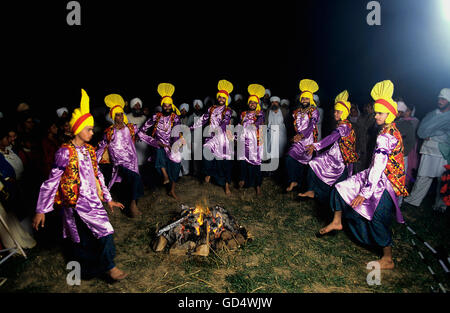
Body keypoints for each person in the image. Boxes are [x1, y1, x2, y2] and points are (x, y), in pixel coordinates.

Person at [32, 89, 127, 281]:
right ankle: (88, 272)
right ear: (78, 130)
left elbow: (97, 174)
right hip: (73, 204)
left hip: (92, 202)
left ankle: (110, 266)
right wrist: (41, 209)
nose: (92, 132)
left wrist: (108, 199)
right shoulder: (64, 152)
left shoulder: (91, 151)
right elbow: (52, 181)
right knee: (80, 240)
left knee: (105, 230)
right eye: (89, 129)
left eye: (92, 129)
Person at [317, 80, 408, 270]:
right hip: (375, 175)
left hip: (386, 181)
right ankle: (336, 221)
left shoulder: (386, 135)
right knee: (341, 188)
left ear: (390, 113)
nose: (376, 116)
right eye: (376, 112)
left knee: (376, 218)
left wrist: (364, 193)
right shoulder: (386, 130)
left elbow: (379, 166)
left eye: (380, 113)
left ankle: (388, 257)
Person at [298, 90, 358, 204]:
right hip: (332, 155)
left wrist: (315, 146)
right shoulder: (341, 124)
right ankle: (312, 190)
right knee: (313, 164)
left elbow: (332, 137)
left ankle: (334, 208)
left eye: (339, 112)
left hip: (341, 160)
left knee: (338, 187)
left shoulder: (344, 126)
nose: (336, 114)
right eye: (335, 111)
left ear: (344, 113)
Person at [96, 93, 144, 218]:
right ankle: (132, 206)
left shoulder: (131, 128)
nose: (120, 117)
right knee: (135, 179)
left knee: (133, 183)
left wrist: (158, 143)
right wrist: (91, 161)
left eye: (122, 114)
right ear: (113, 117)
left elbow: (145, 137)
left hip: (132, 162)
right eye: (117, 115)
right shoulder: (109, 132)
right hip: (120, 164)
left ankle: (133, 205)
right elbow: (100, 148)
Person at [404, 88, 450, 212]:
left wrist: (434, 133)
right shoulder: (431, 114)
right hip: (428, 149)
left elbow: (447, 134)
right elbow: (421, 131)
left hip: (443, 152)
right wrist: (438, 132)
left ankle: (441, 206)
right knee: (422, 176)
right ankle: (413, 201)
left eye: (443, 99)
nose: (440, 101)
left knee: (443, 180)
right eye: (439, 98)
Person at [137, 83, 184, 200]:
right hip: (159, 144)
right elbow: (143, 129)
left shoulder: (175, 117)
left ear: (172, 106)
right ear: (162, 106)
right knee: (158, 154)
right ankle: (164, 176)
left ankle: (171, 190)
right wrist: (153, 141)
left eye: (169, 106)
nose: (167, 108)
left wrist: (176, 143)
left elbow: (177, 130)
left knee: (176, 165)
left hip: (172, 144)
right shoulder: (156, 117)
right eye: (165, 106)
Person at [191, 80, 234, 195]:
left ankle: (226, 185)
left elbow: (225, 122)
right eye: (219, 97)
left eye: (223, 98)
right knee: (206, 152)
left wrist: (217, 129)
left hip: (222, 138)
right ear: (217, 97)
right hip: (211, 137)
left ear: (226, 99)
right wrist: (191, 128)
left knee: (224, 163)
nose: (221, 99)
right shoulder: (211, 109)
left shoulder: (228, 110)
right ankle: (209, 173)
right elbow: (202, 119)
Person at [285, 79, 319, 192]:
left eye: (307, 98)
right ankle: (293, 180)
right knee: (289, 157)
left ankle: (302, 185)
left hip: (308, 141)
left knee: (305, 164)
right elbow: (294, 126)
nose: (304, 100)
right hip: (298, 140)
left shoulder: (314, 111)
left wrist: (301, 135)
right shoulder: (297, 111)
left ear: (311, 100)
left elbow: (311, 126)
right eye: (303, 98)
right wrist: (295, 136)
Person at [237, 84, 266, 195]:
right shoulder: (243, 114)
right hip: (244, 140)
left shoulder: (260, 113)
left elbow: (260, 121)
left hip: (257, 141)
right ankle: (243, 180)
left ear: (257, 104)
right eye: (251, 102)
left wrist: (254, 124)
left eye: (254, 102)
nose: (252, 104)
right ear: (248, 103)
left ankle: (258, 186)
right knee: (243, 161)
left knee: (256, 163)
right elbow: (240, 126)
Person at [266, 96, 288, 174]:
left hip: (281, 134)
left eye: (276, 102)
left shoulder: (284, 111)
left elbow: (287, 122)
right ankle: (271, 171)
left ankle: (280, 171)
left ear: (278, 103)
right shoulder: (268, 111)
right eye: (272, 102)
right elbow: (266, 122)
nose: (274, 103)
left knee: (281, 151)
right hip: (271, 134)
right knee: (271, 151)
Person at [179, 102, 193, 176]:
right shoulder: (177, 118)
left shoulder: (189, 118)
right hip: (178, 140)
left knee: (186, 157)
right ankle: (179, 172)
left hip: (186, 139)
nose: (183, 112)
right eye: (182, 110)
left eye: (185, 111)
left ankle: (186, 171)